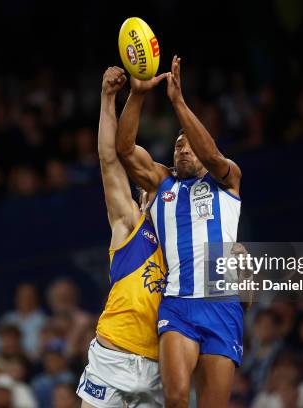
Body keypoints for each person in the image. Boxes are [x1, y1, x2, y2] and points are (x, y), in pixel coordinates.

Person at [116, 56, 243, 407]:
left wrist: (178, 102)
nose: (183, 147)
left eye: (190, 143)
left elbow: (213, 155)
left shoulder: (228, 179)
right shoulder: (161, 183)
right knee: (174, 399)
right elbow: (125, 150)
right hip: (178, 303)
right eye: (177, 143)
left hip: (222, 305)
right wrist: (138, 94)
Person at [75, 67, 167, 407]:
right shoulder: (132, 224)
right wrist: (108, 98)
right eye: (146, 189)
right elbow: (109, 160)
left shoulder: (185, 243)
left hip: (162, 367)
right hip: (112, 358)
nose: (151, 192)